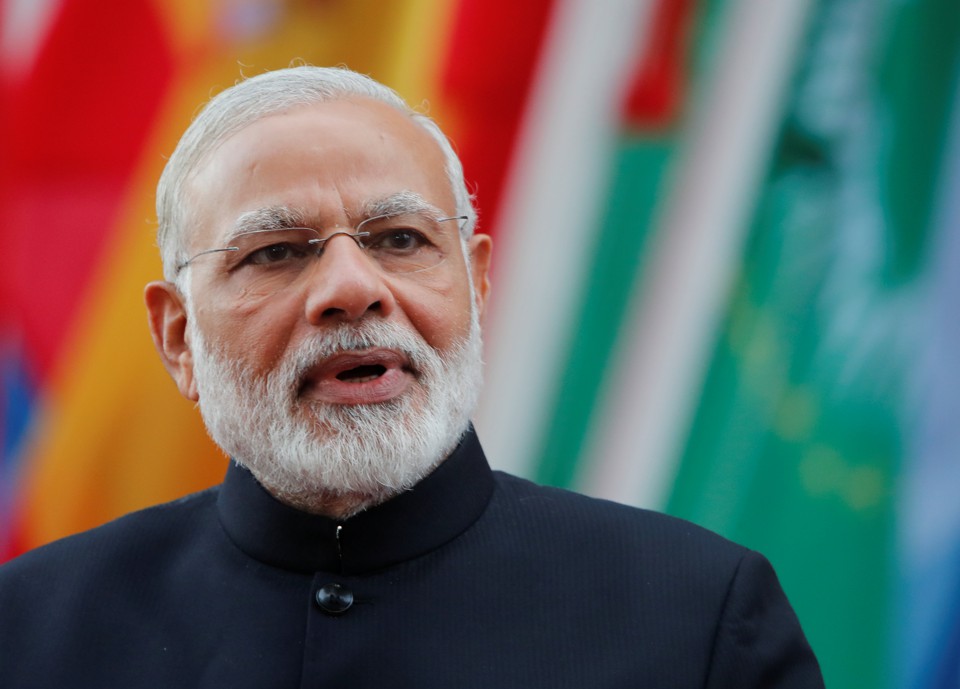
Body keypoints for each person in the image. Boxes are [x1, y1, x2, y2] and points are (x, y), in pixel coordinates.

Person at [0, 66, 824, 688]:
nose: (353, 288)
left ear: (476, 283)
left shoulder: (698, 616)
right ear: (179, 337)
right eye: (276, 252)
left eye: (400, 238)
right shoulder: (31, 631)